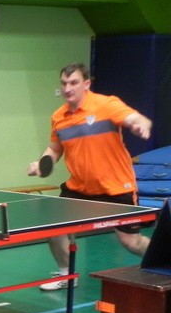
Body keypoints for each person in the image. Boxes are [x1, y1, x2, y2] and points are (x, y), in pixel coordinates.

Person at [27, 62, 152, 291]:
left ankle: (163, 259)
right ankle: (67, 275)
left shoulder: (106, 104)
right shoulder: (58, 116)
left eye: (73, 83)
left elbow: (135, 118)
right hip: (79, 188)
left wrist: (139, 125)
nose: (67, 88)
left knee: (131, 241)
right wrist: (41, 162)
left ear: (86, 84)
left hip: (116, 187)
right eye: (64, 83)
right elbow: (54, 149)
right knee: (54, 228)